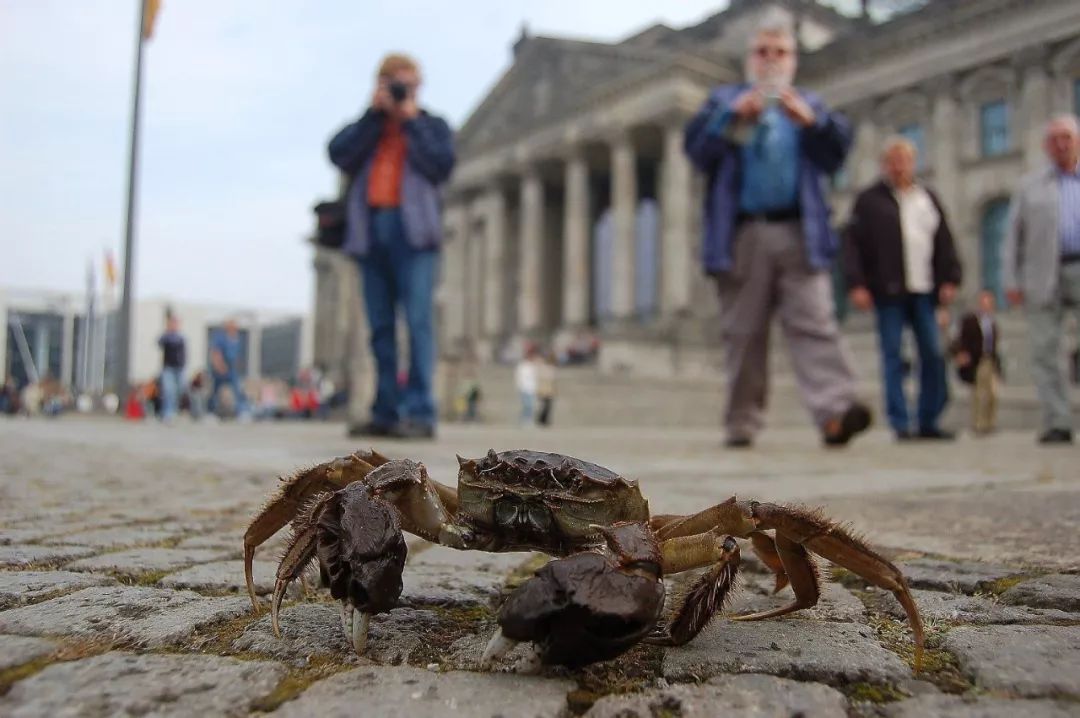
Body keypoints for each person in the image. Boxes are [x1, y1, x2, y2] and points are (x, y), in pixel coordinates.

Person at [684, 17, 871, 448]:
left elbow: (835, 154)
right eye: (762, 52)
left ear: (794, 61)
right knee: (744, 331)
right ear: (748, 59)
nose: (770, 60)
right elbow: (698, 152)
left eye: (780, 52)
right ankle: (742, 423)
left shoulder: (809, 104)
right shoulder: (724, 100)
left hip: (801, 229)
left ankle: (836, 412)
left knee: (816, 323)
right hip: (744, 232)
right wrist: (732, 117)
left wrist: (813, 124)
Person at [329, 53, 455, 441]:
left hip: (414, 233)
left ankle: (420, 412)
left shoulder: (431, 126)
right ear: (380, 85)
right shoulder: (370, 128)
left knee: (418, 322)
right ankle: (384, 410)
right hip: (370, 230)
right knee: (380, 327)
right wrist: (373, 115)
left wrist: (410, 120)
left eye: (411, 85)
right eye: (396, 85)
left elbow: (442, 165)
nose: (404, 92)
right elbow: (338, 154)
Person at [845, 137, 962, 441]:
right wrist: (857, 283)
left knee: (934, 354)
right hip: (888, 291)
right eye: (892, 160)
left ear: (914, 162)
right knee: (893, 355)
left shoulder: (928, 197)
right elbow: (852, 246)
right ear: (884, 164)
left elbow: (944, 240)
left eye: (904, 159)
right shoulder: (869, 200)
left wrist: (951, 278)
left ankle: (928, 419)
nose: (898, 165)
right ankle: (900, 422)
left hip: (925, 289)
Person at [1003, 114, 1080, 445]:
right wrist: (1011, 280)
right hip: (1042, 274)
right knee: (1046, 350)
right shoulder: (1029, 185)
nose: (1061, 144)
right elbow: (1012, 238)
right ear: (1046, 146)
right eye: (1054, 139)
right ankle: (1058, 421)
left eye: (1067, 137)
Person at [952, 290, 1003, 436]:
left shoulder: (992, 322)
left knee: (993, 392)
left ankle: (990, 422)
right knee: (979, 393)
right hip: (976, 360)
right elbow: (960, 339)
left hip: (990, 360)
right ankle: (979, 423)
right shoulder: (970, 320)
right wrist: (960, 354)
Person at [208, 319, 248, 419]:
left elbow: (236, 357)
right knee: (215, 391)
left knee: (237, 390)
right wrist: (219, 366)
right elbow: (216, 353)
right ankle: (211, 412)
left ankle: (241, 411)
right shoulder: (221, 338)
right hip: (220, 369)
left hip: (231, 370)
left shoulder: (236, 339)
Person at [157, 314, 186, 423]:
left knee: (179, 390)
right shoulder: (166, 337)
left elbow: (184, 354)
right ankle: (167, 413)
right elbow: (159, 343)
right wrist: (167, 331)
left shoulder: (181, 338)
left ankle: (173, 410)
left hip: (179, 368)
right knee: (169, 390)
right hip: (168, 368)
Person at [515, 343, 539, 427]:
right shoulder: (522, 366)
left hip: (532, 388)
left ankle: (529, 420)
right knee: (526, 405)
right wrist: (519, 386)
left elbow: (535, 377)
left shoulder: (533, 366)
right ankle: (524, 420)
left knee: (531, 406)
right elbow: (519, 377)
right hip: (524, 388)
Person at [536, 350, 557, 427]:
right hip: (543, 388)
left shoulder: (552, 368)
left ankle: (545, 420)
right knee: (543, 406)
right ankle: (541, 420)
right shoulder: (542, 367)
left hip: (549, 389)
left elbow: (553, 380)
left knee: (548, 406)